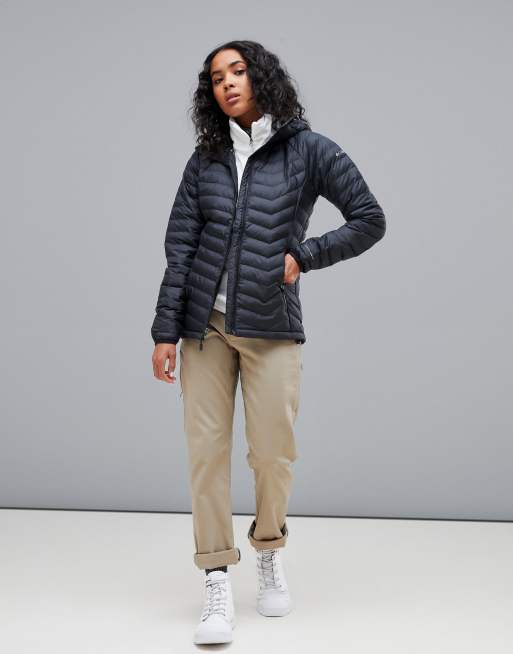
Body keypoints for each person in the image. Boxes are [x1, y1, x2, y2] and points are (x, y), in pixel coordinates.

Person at [151, 40, 386, 644]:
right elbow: (180, 249)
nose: (228, 83)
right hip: (204, 327)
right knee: (206, 455)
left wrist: (305, 256)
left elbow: (369, 217)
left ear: (261, 76)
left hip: (272, 325)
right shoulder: (204, 160)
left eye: (238, 71)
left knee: (273, 454)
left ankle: (269, 549)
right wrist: (165, 330)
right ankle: (215, 577)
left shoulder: (308, 149)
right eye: (216, 78)